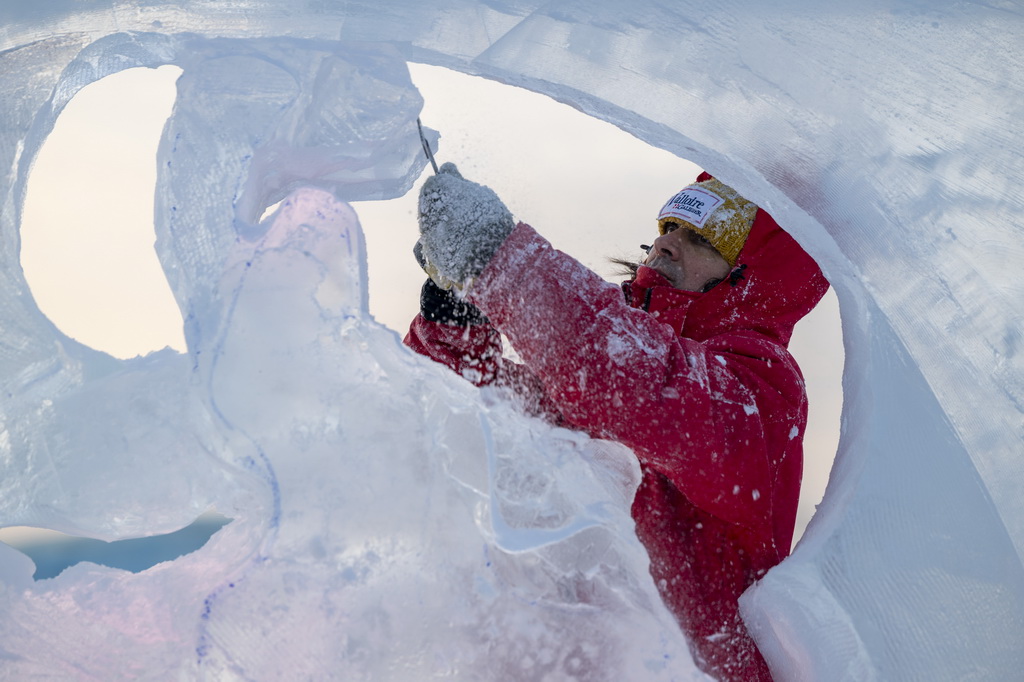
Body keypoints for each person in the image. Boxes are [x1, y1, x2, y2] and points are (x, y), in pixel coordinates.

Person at [405, 163, 829, 681]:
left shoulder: (762, 381)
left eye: (701, 238)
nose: (668, 244)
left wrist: (501, 264)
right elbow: (480, 424)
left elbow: (645, 390)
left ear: (749, 273)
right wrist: (456, 314)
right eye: (668, 228)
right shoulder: (604, 367)